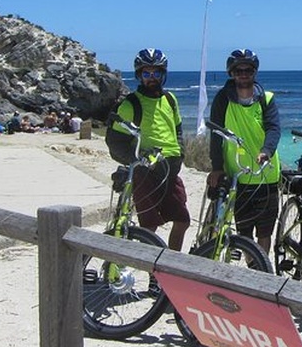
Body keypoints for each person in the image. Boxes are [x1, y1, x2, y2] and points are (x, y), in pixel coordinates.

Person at [105, 48, 190, 251]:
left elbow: (177, 129)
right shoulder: (130, 104)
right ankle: (154, 277)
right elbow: (115, 142)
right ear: (139, 75)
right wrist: (138, 161)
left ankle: (171, 265)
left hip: (170, 170)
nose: (152, 78)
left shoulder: (170, 100)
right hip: (146, 172)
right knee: (149, 227)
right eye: (146, 73)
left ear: (163, 74)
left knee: (182, 220)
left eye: (156, 73)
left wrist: (181, 152)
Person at [207, 49, 281, 254]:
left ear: (254, 71)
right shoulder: (223, 99)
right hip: (237, 176)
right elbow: (215, 134)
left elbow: (274, 128)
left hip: (266, 176)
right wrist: (216, 167)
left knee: (265, 233)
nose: (243, 74)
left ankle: (260, 271)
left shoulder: (266, 99)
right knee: (244, 231)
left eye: (248, 70)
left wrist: (267, 150)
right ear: (231, 73)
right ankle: (250, 268)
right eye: (238, 70)